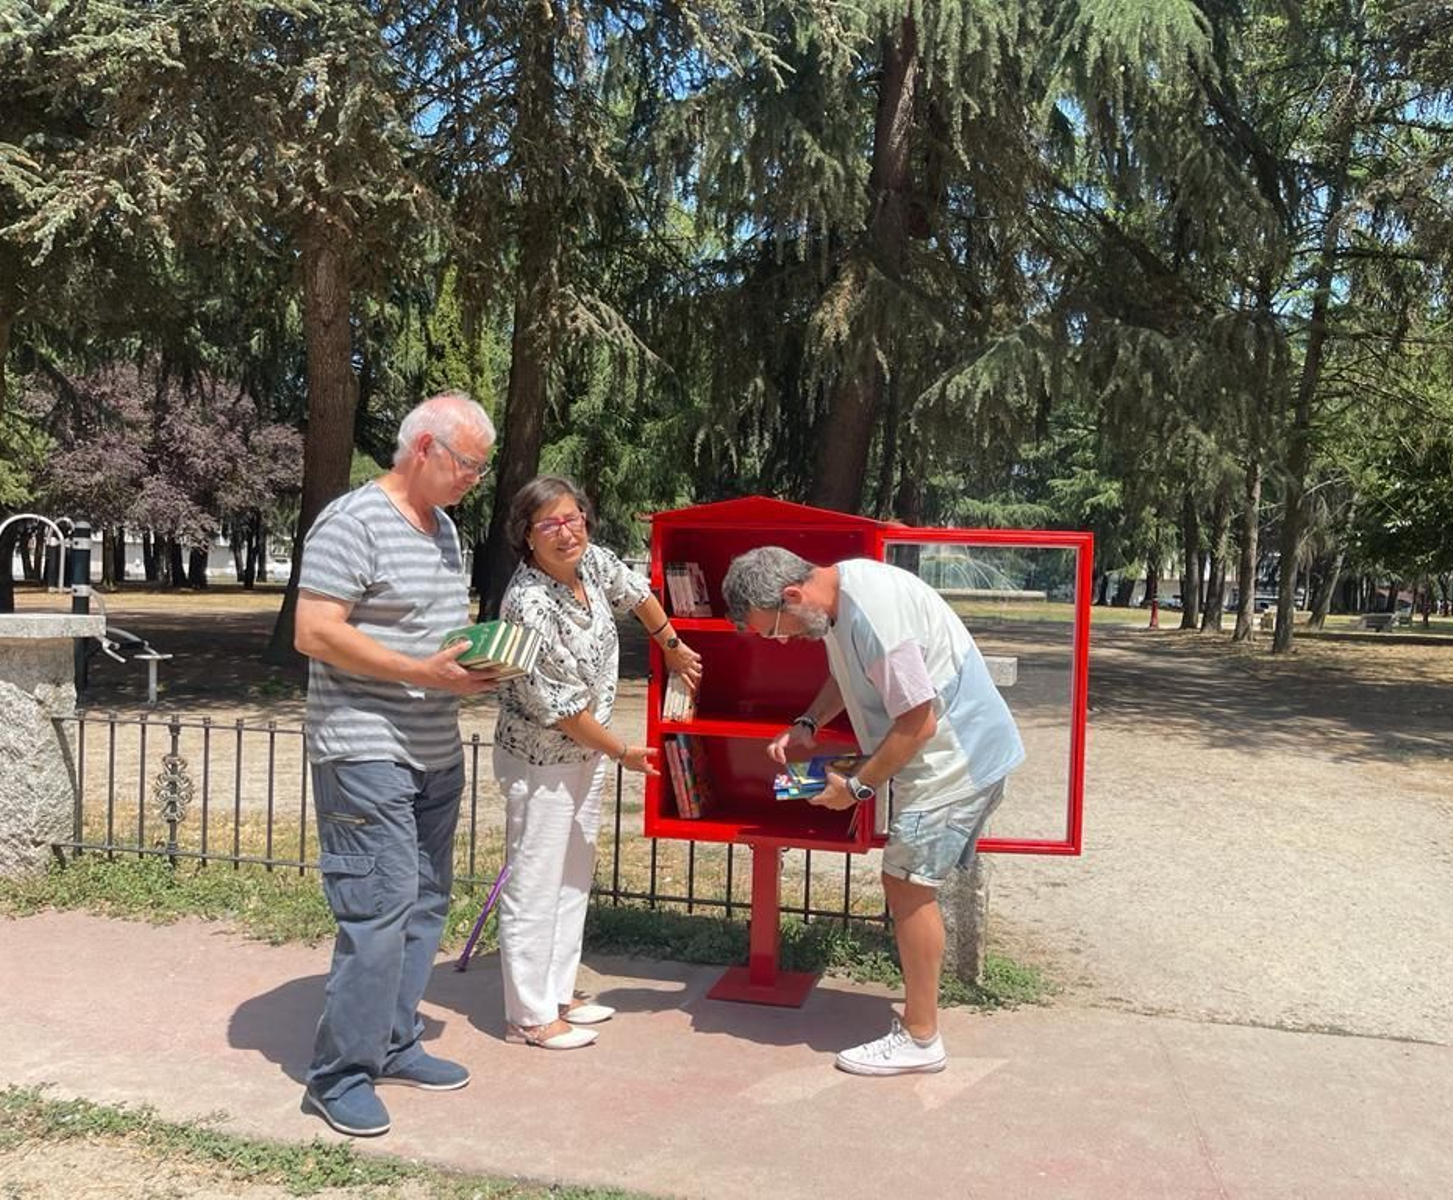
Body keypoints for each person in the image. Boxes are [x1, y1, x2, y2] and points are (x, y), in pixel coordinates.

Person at [721, 546, 1023, 1076]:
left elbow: (918, 722)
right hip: (943, 755)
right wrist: (807, 724)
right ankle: (921, 1026)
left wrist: (856, 788)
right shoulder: (839, 597)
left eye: (773, 629)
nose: (783, 640)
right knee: (906, 881)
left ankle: (922, 1038)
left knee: (907, 884)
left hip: (955, 759)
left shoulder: (876, 616)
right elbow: (848, 676)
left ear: (792, 595)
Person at [294, 391, 503, 1137]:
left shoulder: (443, 528)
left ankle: (392, 1041)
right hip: (363, 746)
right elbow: (315, 632)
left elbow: (429, 633)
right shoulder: (352, 522)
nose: (475, 478)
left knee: (421, 905)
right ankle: (337, 1076)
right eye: (468, 464)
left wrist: (478, 660)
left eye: (481, 467)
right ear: (423, 450)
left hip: (433, 747)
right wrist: (420, 668)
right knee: (377, 913)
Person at [493, 475, 702, 1049]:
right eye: (549, 525)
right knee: (535, 881)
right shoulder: (528, 604)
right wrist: (622, 751)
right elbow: (559, 707)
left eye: (573, 518)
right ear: (526, 537)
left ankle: (558, 991)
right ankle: (529, 1016)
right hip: (544, 756)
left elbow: (635, 592)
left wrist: (671, 643)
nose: (566, 533)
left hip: (589, 750)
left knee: (573, 872)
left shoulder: (591, 566)